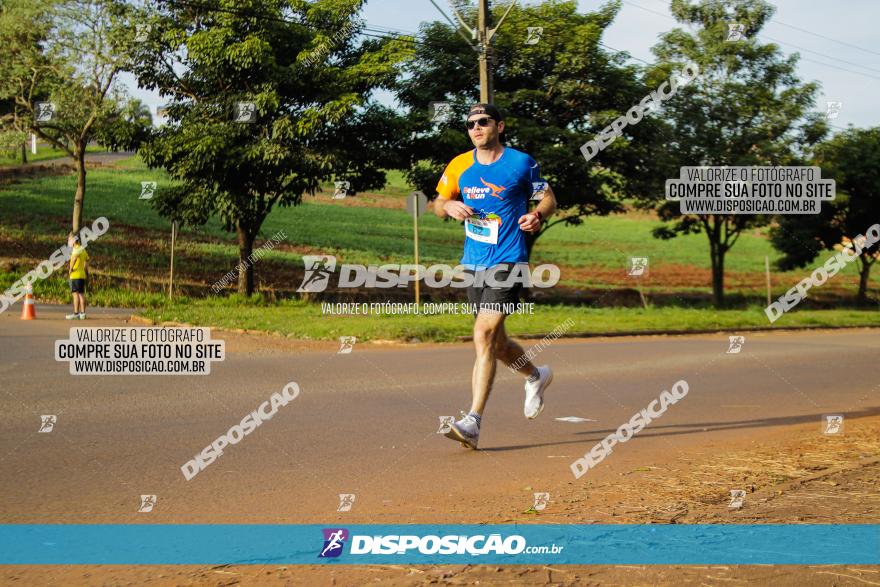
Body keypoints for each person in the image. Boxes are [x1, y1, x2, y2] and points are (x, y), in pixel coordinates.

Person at [433, 103, 558, 449]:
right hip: (474, 262)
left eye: (483, 122)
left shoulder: (520, 163)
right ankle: (535, 376)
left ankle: (472, 421)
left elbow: (548, 198)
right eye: (471, 123)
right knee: (496, 344)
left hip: (508, 260)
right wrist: (448, 206)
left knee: (482, 333)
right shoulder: (460, 165)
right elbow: (437, 202)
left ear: (499, 126)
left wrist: (537, 215)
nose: (475, 127)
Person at [66, 232, 89, 320]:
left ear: (73, 240)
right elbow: (86, 261)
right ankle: (83, 313)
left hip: (75, 275)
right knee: (81, 294)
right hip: (82, 275)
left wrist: (70, 269)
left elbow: (74, 259)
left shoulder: (76, 250)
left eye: (69, 240)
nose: (68, 242)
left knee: (75, 294)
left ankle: (76, 313)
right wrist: (86, 271)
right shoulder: (83, 249)